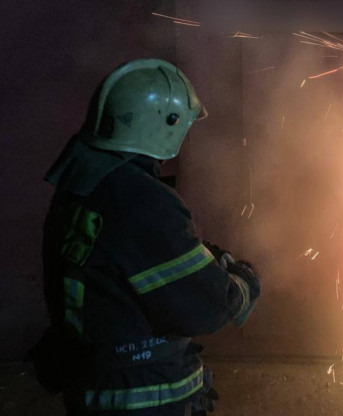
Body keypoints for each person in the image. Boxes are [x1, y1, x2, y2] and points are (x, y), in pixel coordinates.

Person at [30, 59, 260, 416]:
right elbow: (204, 308)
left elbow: (132, 257)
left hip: (93, 386)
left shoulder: (82, 183)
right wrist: (241, 283)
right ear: (165, 124)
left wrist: (199, 256)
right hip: (144, 396)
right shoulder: (142, 200)